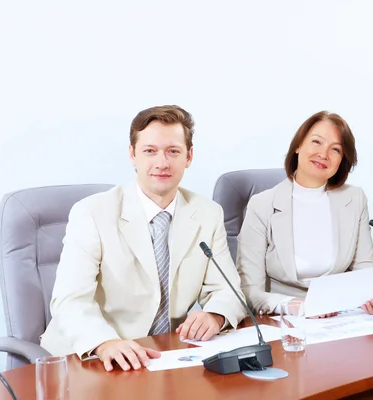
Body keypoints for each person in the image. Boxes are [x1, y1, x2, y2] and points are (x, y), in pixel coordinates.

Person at [40, 105, 246, 371]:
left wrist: (216, 315)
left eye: (173, 151)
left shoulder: (207, 213)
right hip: (89, 356)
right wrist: (105, 343)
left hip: (162, 357)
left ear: (189, 156)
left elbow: (228, 290)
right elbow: (69, 301)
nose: (161, 162)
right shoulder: (92, 212)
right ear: (132, 155)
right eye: (150, 151)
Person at [237, 111, 373, 316]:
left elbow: (364, 269)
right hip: (283, 321)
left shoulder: (354, 198)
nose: (324, 154)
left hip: (340, 317)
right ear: (298, 145)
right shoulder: (262, 204)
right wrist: (293, 305)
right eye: (316, 142)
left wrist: (372, 297)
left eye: (335, 149)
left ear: (342, 160)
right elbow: (248, 290)